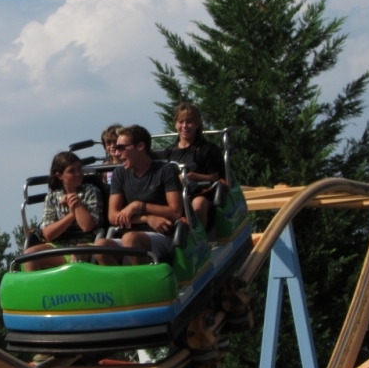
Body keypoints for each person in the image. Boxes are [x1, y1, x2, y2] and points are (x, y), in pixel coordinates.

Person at [94, 125, 183, 265]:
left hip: (163, 235)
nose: (117, 153)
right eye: (116, 148)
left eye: (122, 147)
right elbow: (113, 216)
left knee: (130, 239)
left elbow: (176, 212)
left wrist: (139, 206)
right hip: (132, 234)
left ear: (140, 146)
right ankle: (122, 278)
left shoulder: (166, 170)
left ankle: (142, 277)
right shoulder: (119, 174)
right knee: (100, 246)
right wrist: (147, 218)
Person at [23, 151, 102, 271]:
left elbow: (87, 226)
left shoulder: (91, 191)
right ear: (60, 176)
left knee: (76, 255)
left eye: (79, 168)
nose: (78, 173)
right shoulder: (52, 197)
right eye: (72, 171)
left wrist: (77, 204)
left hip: (85, 242)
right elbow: (48, 234)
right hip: (58, 245)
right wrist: (72, 214)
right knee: (30, 255)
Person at [157, 102, 224, 230]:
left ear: (197, 124)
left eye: (189, 122)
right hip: (176, 194)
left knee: (199, 203)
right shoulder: (169, 152)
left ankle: (199, 238)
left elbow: (215, 177)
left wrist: (191, 176)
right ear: (175, 124)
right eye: (181, 122)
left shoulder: (207, 149)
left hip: (202, 193)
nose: (184, 126)